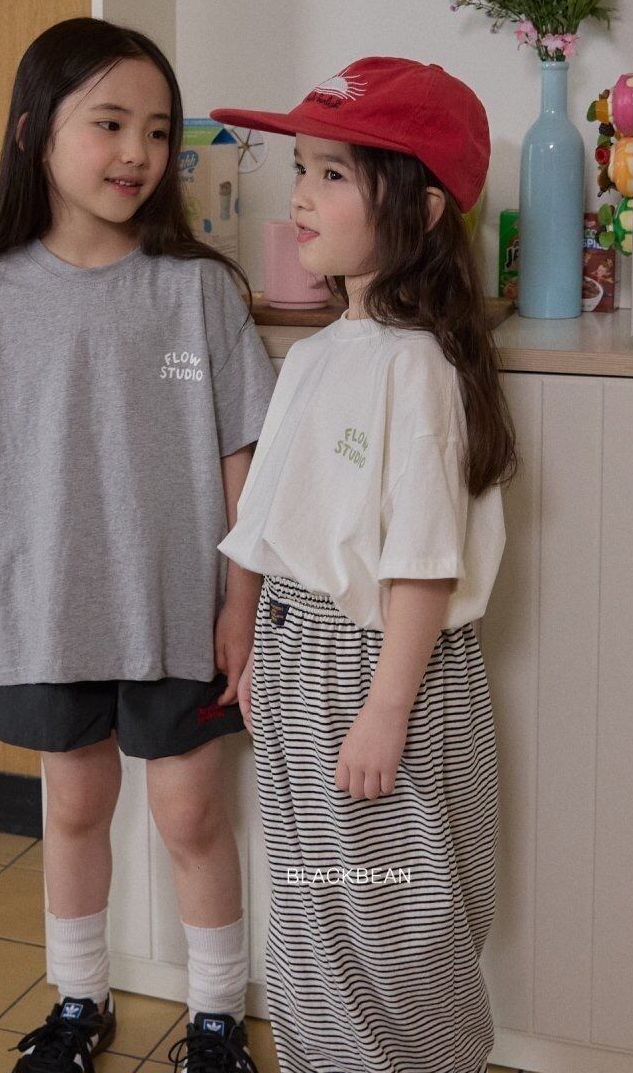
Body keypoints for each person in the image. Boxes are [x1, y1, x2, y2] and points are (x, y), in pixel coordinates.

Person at [0, 17, 275, 1073]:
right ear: (35, 133)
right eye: (109, 124)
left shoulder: (196, 292)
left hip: (177, 607)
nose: (137, 153)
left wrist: (241, 607)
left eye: (157, 131)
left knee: (190, 812)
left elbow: (240, 461)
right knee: (73, 804)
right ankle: (79, 1000)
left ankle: (215, 1018)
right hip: (40, 605)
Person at [211, 56, 517, 1073]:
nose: (300, 194)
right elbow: (274, 522)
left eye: (333, 174)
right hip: (301, 664)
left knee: (392, 929)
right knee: (312, 923)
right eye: (300, 168)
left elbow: (423, 562)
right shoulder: (314, 354)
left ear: (420, 211)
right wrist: (257, 649)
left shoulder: (416, 367)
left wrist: (386, 709)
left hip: (380, 671)